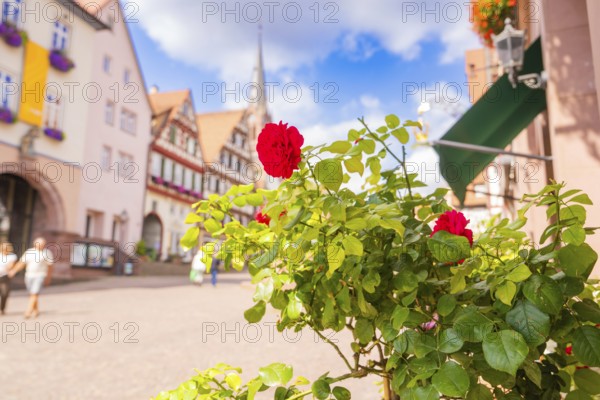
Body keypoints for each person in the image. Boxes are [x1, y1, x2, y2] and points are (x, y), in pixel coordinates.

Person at [9, 237, 54, 318]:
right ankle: (36, 310)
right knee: (32, 293)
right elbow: (22, 263)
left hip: (40, 275)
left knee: (34, 293)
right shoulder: (29, 252)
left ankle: (28, 311)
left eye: (42, 244)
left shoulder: (47, 253)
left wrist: (48, 277)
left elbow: (50, 267)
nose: (40, 246)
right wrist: (14, 270)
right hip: (29, 275)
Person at [0, 242, 18, 315]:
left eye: (6, 248)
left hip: (5, 276)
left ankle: (2, 309)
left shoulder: (12, 256)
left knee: (4, 293)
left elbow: (11, 266)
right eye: (3, 248)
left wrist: (11, 270)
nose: (5, 250)